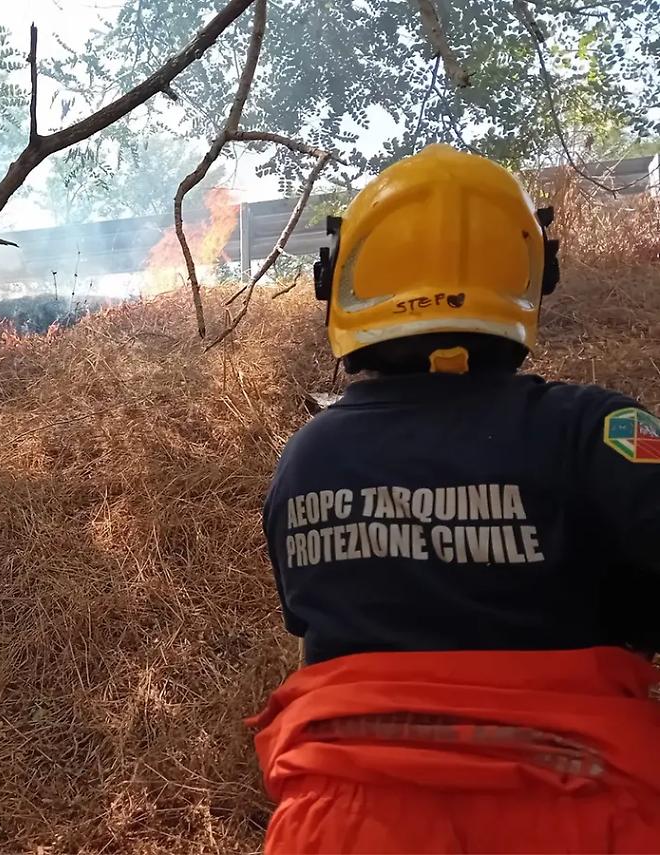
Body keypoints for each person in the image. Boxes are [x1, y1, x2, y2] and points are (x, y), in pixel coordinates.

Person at [249, 144, 660, 854]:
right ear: (532, 274)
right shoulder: (597, 432)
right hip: (580, 806)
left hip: (343, 825)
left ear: (343, 282)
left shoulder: (305, 456)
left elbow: (310, 618)